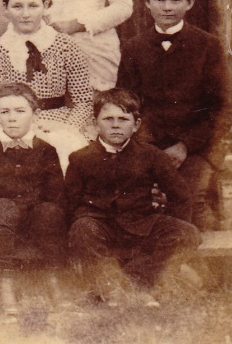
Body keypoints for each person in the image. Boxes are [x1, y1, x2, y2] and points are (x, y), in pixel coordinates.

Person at [65, 88, 200, 307]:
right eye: (108, 119)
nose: (115, 125)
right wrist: (81, 224)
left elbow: (180, 196)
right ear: (95, 123)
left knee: (186, 233)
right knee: (82, 228)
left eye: (123, 119)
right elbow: (71, 201)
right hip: (100, 225)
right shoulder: (80, 158)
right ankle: (110, 289)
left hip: (142, 224)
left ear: (136, 125)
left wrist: (170, 223)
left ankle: (139, 284)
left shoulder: (151, 155)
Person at [118, 0, 229, 230]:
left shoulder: (208, 46)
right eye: (160, 0)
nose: (167, 7)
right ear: (147, 3)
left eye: (175, 0)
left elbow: (223, 108)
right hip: (149, 144)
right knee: (134, 201)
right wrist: (148, 145)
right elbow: (126, 103)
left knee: (187, 200)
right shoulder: (134, 47)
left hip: (197, 146)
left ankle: (202, 263)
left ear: (189, 3)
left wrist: (185, 146)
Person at [0, 83, 66, 315]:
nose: (12, 118)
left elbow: (56, 194)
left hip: (36, 224)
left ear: (35, 114)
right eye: (5, 112)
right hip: (0, 224)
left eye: (20, 111)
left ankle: (53, 278)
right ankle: (5, 284)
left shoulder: (46, 150)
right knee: (2, 206)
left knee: (50, 209)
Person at [0, 0, 91, 171]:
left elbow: (83, 101)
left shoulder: (67, 46)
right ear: (5, 9)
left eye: (33, 6)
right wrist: (3, 132)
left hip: (58, 123)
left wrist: (68, 129)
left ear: (46, 6)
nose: (26, 14)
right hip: (11, 124)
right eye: (17, 6)